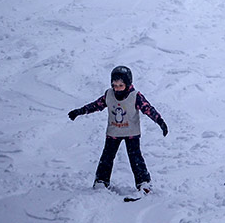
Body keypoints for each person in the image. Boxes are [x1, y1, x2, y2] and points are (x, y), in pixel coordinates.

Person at [67, 65, 168, 193]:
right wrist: (79, 111)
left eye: (121, 85)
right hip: (113, 133)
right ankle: (101, 180)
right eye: (115, 85)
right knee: (107, 157)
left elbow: (148, 109)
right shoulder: (109, 94)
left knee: (135, 158)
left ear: (128, 83)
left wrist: (160, 122)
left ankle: (143, 182)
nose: (117, 89)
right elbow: (96, 105)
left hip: (131, 133)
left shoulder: (135, 96)